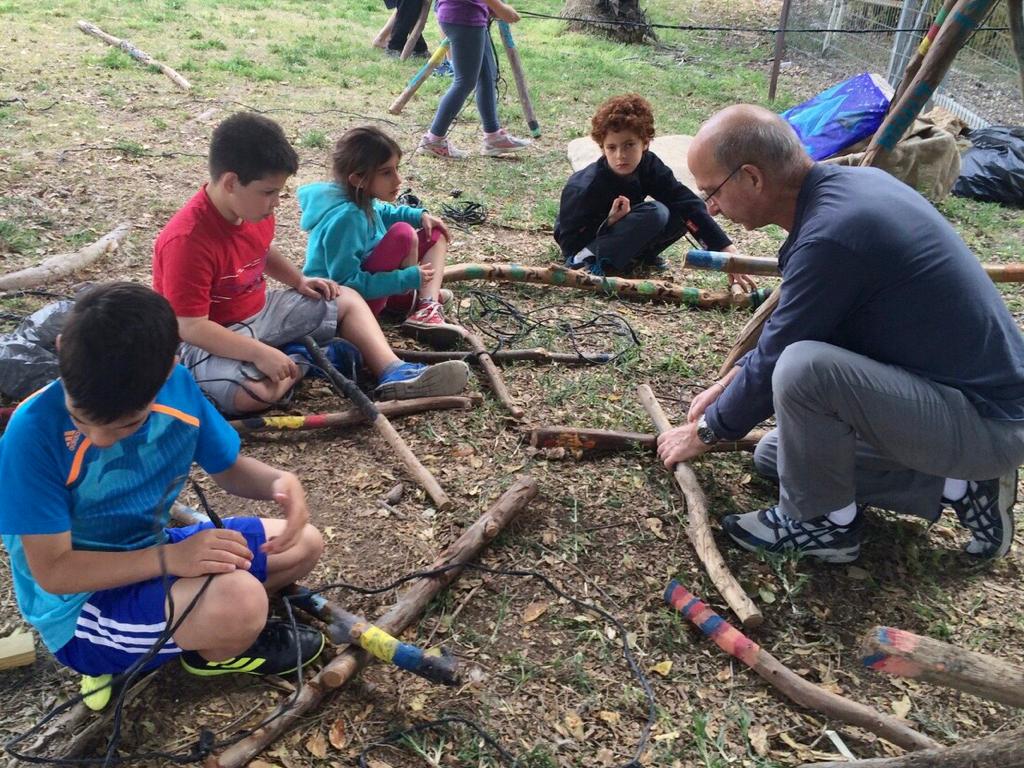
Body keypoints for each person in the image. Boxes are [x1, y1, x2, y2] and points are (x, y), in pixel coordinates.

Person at [656, 104, 1024, 563]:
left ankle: (823, 526)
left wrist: (708, 432)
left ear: (752, 177)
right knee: (776, 455)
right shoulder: (850, 191)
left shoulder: (834, 235)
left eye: (712, 192)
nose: (710, 207)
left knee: (803, 368)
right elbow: (803, 319)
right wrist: (731, 382)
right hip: (954, 401)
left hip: (987, 419)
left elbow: (783, 352)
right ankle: (959, 484)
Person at [0, 283, 327, 710]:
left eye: (126, 424)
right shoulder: (30, 434)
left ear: (169, 368)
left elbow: (228, 468)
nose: (99, 440)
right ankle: (211, 651)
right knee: (244, 601)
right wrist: (172, 560)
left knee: (304, 543)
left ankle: (195, 623)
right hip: (80, 609)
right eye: (81, 416)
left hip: (148, 551)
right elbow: (54, 573)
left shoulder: (177, 387)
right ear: (61, 349)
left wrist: (279, 483)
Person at [152, 112, 469, 415]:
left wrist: (298, 281)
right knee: (249, 394)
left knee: (345, 297)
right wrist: (258, 352)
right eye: (269, 192)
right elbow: (190, 326)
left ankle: (394, 372)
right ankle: (310, 357)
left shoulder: (252, 210)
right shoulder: (187, 240)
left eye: (280, 191)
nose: (276, 202)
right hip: (210, 336)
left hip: (259, 312)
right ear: (231, 182)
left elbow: (262, 250)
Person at [554, 94, 754, 285]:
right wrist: (609, 222)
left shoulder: (649, 165)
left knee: (686, 210)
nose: (620, 155)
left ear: (645, 143)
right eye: (611, 148)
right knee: (657, 212)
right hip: (585, 243)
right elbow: (567, 238)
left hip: (622, 231)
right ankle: (589, 262)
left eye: (629, 145)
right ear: (602, 148)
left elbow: (684, 201)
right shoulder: (585, 186)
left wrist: (725, 249)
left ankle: (636, 258)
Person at [299, 126, 461, 348]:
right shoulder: (347, 218)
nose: (398, 180)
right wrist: (405, 279)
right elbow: (346, 284)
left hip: (372, 285)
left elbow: (383, 213)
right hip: (344, 305)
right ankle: (407, 299)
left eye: (397, 169)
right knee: (403, 234)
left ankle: (425, 305)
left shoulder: (359, 198)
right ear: (359, 179)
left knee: (435, 232)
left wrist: (418, 215)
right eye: (387, 172)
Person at [416, 0, 530, 158]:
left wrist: (490, 7)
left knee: (487, 75)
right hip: (462, 16)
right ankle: (433, 140)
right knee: (465, 82)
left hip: (470, 15)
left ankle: (493, 136)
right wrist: (501, 8)